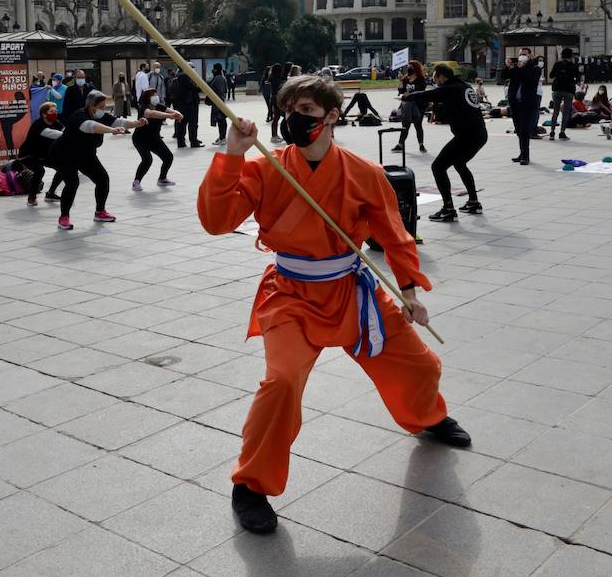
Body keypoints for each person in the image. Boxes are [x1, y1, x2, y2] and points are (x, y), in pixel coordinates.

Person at [197, 73, 470, 535]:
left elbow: (394, 234)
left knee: (418, 364)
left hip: (352, 291)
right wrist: (232, 154)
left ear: (331, 118)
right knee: (281, 382)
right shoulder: (266, 166)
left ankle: (429, 415)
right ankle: (251, 485)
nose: (293, 121)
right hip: (290, 295)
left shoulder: (364, 173)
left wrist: (408, 292)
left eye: (305, 112)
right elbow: (216, 221)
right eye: (289, 112)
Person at [402, 63, 487, 219]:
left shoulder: (450, 87)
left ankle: (448, 209)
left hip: (467, 136)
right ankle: (474, 202)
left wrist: (409, 96)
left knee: (438, 166)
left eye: (435, 78)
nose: (435, 81)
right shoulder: (463, 86)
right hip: (479, 134)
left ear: (441, 76)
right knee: (459, 163)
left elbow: (430, 94)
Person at [50, 89, 143, 230]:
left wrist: (136, 123)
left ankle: (100, 212)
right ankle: (64, 217)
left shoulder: (100, 115)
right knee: (72, 183)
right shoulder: (79, 115)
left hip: (86, 154)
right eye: (100, 107)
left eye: (104, 107)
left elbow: (118, 121)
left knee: (102, 179)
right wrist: (111, 130)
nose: (102, 110)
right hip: (65, 154)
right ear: (90, 105)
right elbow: (89, 126)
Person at [131, 88, 181, 190]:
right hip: (140, 139)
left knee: (168, 157)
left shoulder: (159, 106)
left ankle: (162, 179)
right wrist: (171, 116)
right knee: (147, 159)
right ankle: (136, 182)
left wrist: (178, 114)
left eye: (156, 95)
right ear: (147, 98)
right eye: (153, 95)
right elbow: (153, 114)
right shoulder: (143, 108)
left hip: (154, 138)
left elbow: (171, 110)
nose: (156, 97)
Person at [17, 101, 64, 206]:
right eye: (51, 111)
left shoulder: (57, 123)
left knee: (63, 167)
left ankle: (51, 193)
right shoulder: (38, 125)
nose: (54, 113)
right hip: (28, 155)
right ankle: (32, 196)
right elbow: (56, 134)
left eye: (56, 111)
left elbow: (65, 132)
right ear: (44, 114)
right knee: (39, 170)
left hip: (44, 155)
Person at [504, 49, 541, 164]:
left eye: (524, 54)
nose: (521, 56)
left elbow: (531, 81)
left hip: (527, 104)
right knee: (519, 130)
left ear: (530, 56)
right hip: (515, 104)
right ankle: (522, 153)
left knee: (524, 130)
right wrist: (508, 66)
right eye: (520, 54)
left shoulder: (535, 68)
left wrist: (521, 68)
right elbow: (503, 76)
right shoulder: (516, 68)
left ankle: (526, 156)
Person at [395, 60, 428, 153]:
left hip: (418, 105)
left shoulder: (420, 79)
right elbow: (401, 90)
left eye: (411, 67)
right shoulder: (406, 79)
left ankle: (421, 145)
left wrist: (408, 93)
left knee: (418, 125)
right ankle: (400, 144)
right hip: (406, 105)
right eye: (408, 67)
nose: (409, 68)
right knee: (405, 125)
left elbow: (420, 91)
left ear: (416, 68)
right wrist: (400, 81)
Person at [547, 48, 580, 141]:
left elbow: (551, 76)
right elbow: (577, 77)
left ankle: (552, 132)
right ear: (571, 55)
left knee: (556, 111)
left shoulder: (557, 64)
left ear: (562, 55)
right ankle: (562, 132)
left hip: (557, 89)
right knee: (565, 112)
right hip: (568, 90)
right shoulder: (573, 65)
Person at [170, 70, 203, 148]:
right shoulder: (185, 78)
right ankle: (194, 142)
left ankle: (181, 142)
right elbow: (195, 89)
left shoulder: (175, 81)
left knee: (181, 124)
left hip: (179, 106)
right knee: (192, 124)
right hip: (188, 105)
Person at [209, 64, 230, 144]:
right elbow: (225, 90)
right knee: (221, 120)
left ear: (216, 69)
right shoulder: (222, 77)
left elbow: (215, 89)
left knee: (221, 120)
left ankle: (222, 137)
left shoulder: (217, 78)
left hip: (217, 103)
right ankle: (222, 136)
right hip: (221, 101)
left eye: (214, 69)